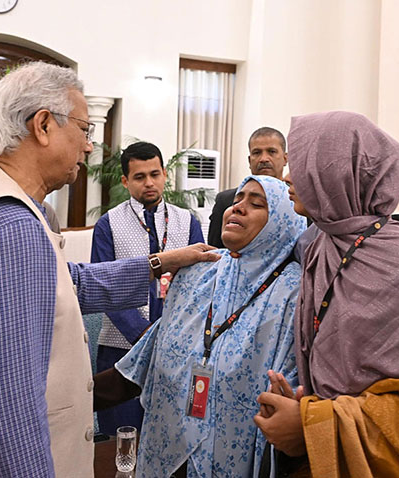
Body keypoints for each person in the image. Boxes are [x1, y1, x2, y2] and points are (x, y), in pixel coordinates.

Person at [0, 62, 218, 477]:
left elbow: (64, 281)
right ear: (43, 125)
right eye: (84, 129)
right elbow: (7, 413)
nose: (88, 147)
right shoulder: (9, 227)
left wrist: (159, 262)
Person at [254, 111, 399, 478]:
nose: (288, 177)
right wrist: (303, 405)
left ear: (340, 174)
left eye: (303, 164)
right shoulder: (324, 245)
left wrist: (312, 423)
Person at [94, 175, 306, 478]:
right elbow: (146, 358)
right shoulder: (198, 271)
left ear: (282, 222)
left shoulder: (294, 292)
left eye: (257, 204)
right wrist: (67, 399)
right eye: (237, 200)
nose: (238, 208)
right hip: (165, 453)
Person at [91, 140, 205, 435]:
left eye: (154, 174)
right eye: (139, 177)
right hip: (120, 347)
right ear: (125, 181)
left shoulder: (187, 222)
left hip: (177, 347)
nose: (149, 183)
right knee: (123, 434)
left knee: (172, 432)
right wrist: (142, 335)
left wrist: (173, 335)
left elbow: (200, 285)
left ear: (165, 174)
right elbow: (104, 287)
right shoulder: (108, 225)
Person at [207, 127, 288, 248]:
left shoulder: (298, 202)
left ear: (285, 158)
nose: (264, 159)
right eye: (257, 153)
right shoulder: (226, 201)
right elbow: (215, 251)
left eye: (271, 151)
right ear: (250, 161)